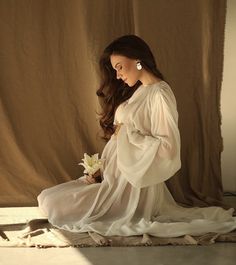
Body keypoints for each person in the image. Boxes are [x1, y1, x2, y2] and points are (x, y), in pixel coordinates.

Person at [38, 35, 236, 240]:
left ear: (138, 61)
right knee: (47, 198)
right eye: (115, 69)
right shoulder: (141, 91)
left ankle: (117, 205)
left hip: (131, 187)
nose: (117, 75)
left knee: (54, 205)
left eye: (120, 67)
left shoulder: (159, 94)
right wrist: (103, 169)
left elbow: (168, 147)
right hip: (113, 180)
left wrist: (127, 134)